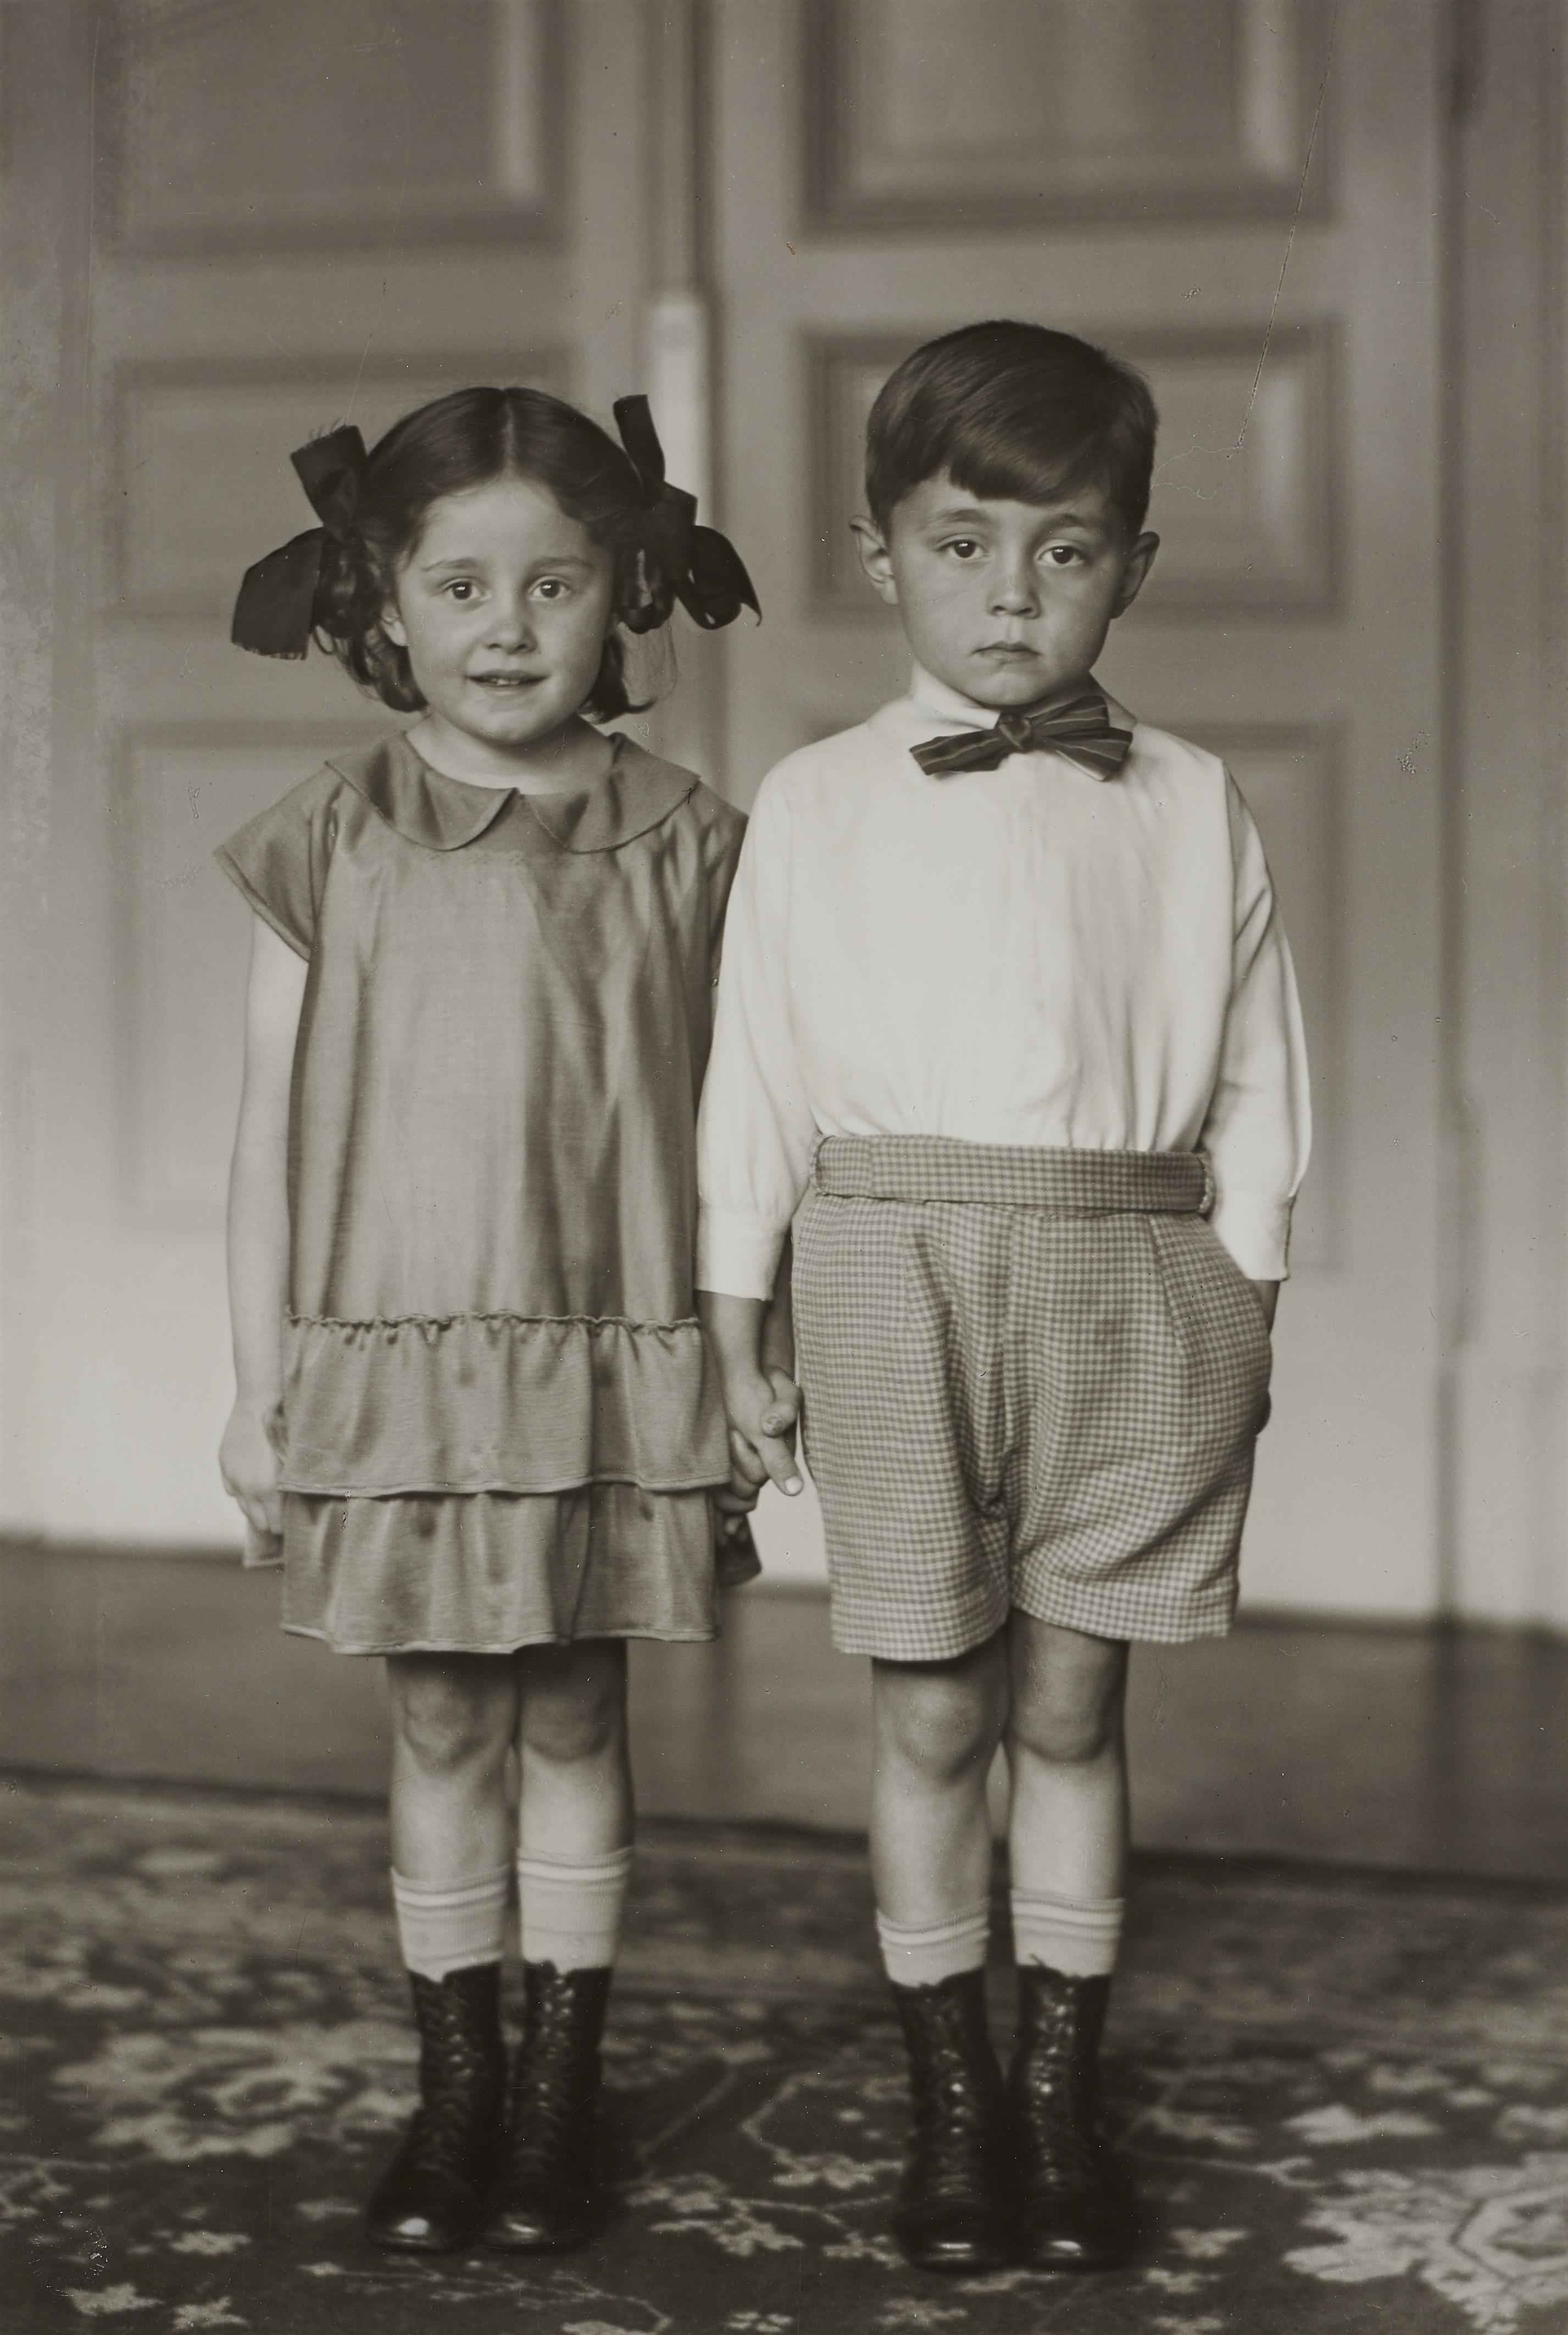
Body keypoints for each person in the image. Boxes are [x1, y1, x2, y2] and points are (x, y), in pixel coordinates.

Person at [697, 321, 1310, 2276]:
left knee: (1075, 1695)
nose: (1011, 594)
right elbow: (760, 1070)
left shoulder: (1195, 796)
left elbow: (1262, 1071)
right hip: (887, 1259)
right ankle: (951, 2101)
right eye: (963, 543)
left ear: (1136, 560)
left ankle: (1062, 2096)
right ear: (881, 553)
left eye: (1063, 548)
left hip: (1136, 1261)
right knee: (934, 1704)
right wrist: (737, 1304)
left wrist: (1248, 1279)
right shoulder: (813, 802)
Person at [216, 385, 775, 2256]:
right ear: (384, 600)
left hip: (607, 1351)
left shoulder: (688, 838)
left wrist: (738, 1353)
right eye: (462, 585)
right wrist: (255, 1389)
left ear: (629, 590)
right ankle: (453, 2094)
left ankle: (556, 2096)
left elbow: (742, 1125)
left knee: (573, 1709)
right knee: (442, 1720)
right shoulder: (337, 834)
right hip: (394, 1358)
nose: (509, 626)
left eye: (555, 583)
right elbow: (266, 1140)